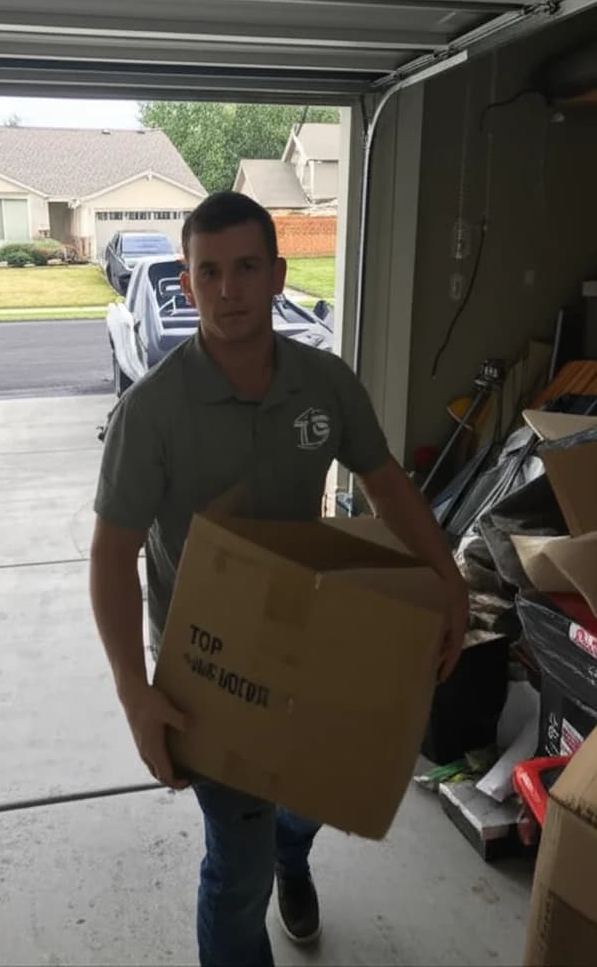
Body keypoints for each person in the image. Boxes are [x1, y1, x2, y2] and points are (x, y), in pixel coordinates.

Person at [90, 192, 468, 967]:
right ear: (187, 286)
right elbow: (109, 559)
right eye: (209, 272)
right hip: (209, 660)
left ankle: (292, 851)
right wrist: (135, 692)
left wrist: (448, 582)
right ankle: (271, 863)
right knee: (237, 871)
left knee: (317, 789)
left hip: (311, 633)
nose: (228, 289)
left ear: (277, 277)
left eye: (246, 268)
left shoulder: (323, 383)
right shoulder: (153, 412)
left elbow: (387, 484)